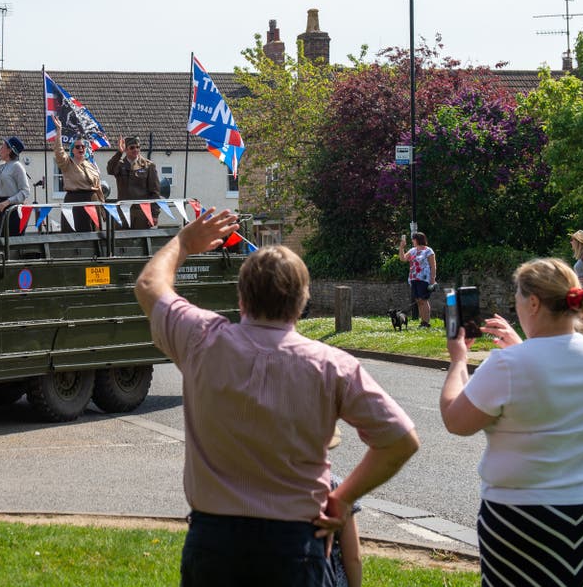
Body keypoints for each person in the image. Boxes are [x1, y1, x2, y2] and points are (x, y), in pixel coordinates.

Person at [134, 208, 419, 587]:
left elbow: (149, 286)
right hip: (296, 545)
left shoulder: (202, 339)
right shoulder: (332, 365)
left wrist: (184, 242)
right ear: (303, 302)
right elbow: (400, 439)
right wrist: (343, 498)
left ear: (241, 298)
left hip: (215, 544)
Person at [440, 258, 583, 587]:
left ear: (534, 302)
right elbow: (556, 382)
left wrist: (458, 362)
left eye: (518, 297)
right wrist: (525, 348)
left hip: (525, 516)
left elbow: (456, 420)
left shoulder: (507, 365)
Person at [52, 115, 103, 232]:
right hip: (75, 201)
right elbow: (59, 151)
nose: (81, 148)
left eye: (83, 147)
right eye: (78, 146)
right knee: (76, 232)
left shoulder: (90, 164)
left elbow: (98, 187)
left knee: (94, 232)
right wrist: (59, 131)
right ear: (72, 150)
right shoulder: (67, 163)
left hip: (93, 200)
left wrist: (102, 206)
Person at [0, 136, 31, 238]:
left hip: (14, 209)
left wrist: (8, 201)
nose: (0, 149)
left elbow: (25, 191)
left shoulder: (17, 166)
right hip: (3, 206)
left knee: (10, 241)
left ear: (9, 151)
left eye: (3, 146)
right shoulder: (1, 167)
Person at [107, 134, 160, 229]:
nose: (135, 150)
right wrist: (119, 152)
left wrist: (154, 214)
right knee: (121, 241)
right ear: (126, 150)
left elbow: (155, 191)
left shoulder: (148, 166)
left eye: (138, 147)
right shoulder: (119, 164)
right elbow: (110, 169)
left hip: (142, 212)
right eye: (132, 148)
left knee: (140, 241)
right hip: (123, 210)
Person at [399, 232, 436, 328]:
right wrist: (402, 247)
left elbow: (433, 266)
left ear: (418, 239)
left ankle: (426, 322)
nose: (412, 241)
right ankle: (422, 321)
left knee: (423, 300)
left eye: (413, 239)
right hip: (413, 278)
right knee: (418, 300)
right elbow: (403, 259)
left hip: (424, 279)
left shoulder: (428, 250)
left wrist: (432, 279)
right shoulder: (412, 250)